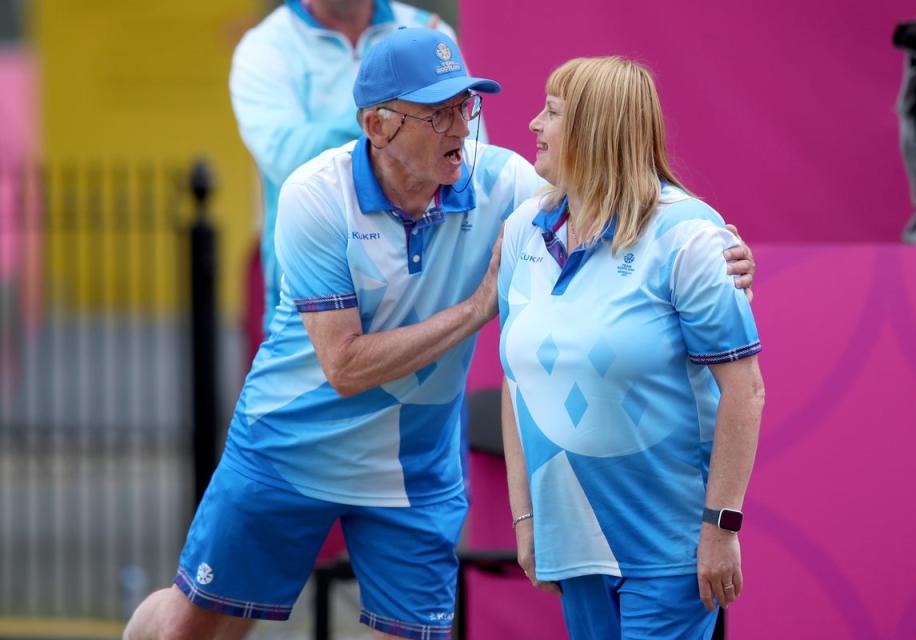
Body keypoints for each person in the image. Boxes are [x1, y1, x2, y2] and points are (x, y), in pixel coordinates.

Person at [124, 31, 755, 640]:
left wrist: (720, 243)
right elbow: (342, 367)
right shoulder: (317, 196)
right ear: (378, 127)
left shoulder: (508, 185)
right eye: (438, 113)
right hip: (291, 446)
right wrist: (478, 308)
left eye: (465, 105)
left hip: (414, 467)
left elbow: (621, 195)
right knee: (190, 627)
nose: (461, 127)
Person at [498, 56, 765, 639]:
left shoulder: (692, 236)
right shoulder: (523, 227)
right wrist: (525, 517)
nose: (532, 125)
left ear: (595, 130)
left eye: (552, 111)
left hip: (669, 548)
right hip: (572, 540)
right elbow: (517, 383)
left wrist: (721, 527)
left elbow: (745, 391)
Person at [230, 0, 482, 333]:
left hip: (421, 288)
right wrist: (399, 98)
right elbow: (288, 157)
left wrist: (400, 116)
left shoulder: (426, 30)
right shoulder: (264, 46)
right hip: (310, 293)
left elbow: (466, 149)